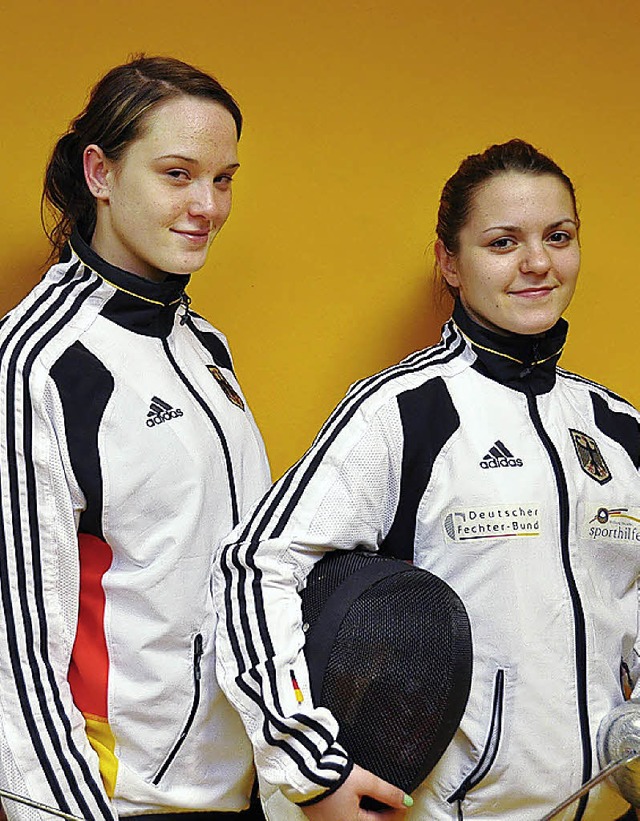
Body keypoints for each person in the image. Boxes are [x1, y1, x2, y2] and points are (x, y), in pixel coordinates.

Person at [214, 139, 640, 820]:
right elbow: (252, 564)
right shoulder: (404, 411)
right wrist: (308, 766)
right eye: (503, 242)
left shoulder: (618, 427)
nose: (538, 262)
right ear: (450, 261)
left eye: (558, 236)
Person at [0, 56, 271, 820]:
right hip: (117, 800)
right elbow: (16, 651)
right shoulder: (37, 365)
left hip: (241, 793)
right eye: (178, 174)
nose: (207, 206)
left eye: (223, 179)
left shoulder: (205, 349)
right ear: (100, 172)